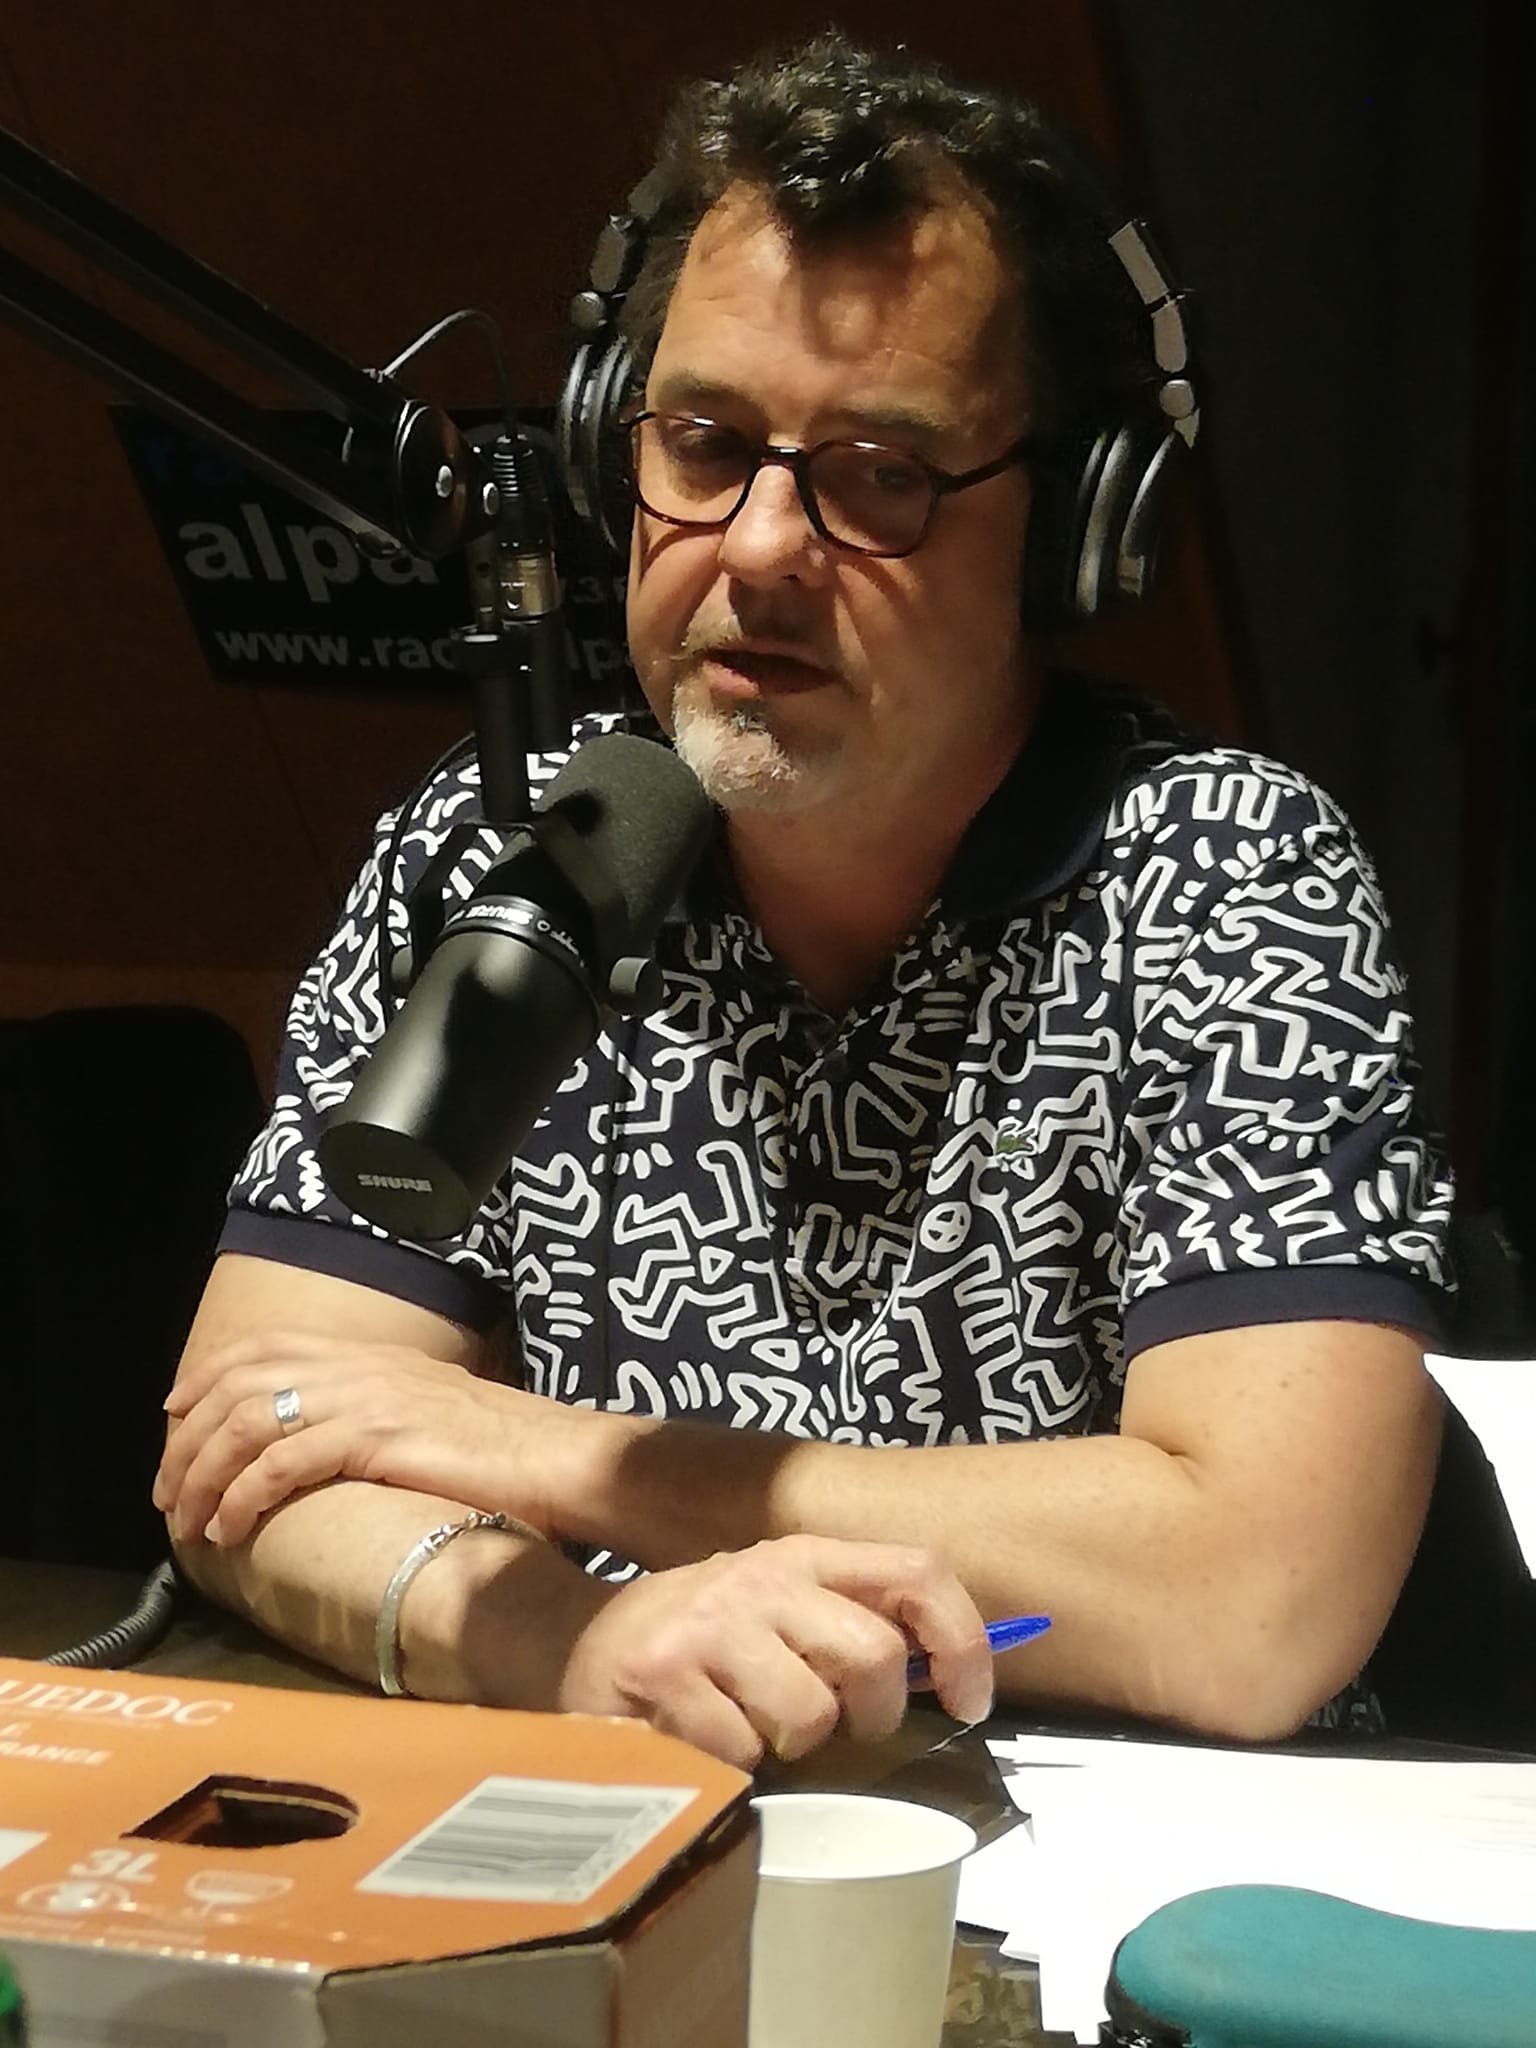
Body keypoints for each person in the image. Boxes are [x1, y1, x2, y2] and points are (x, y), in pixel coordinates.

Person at [155, 32, 1454, 1768]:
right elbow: (245, 1455)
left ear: (1072, 527)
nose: (762, 545)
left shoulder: (1227, 875)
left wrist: (558, 1458)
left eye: (881, 473)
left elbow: (1260, 1597)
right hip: (645, 1814)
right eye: (704, 445)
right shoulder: (501, 847)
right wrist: (573, 1640)